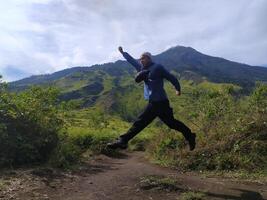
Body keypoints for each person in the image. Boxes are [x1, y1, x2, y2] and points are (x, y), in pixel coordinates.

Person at [107, 46, 196, 151]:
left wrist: (177, 89)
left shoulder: (157, 67)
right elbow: (131, 61)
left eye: (143, 58)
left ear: (149, 58)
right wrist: (123, 53)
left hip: (160, 102)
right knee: (171, 123)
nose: (141, 61)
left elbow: (171, 77)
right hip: (155, 102)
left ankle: (123, 141)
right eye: (140, 59)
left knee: (141, 122)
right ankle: (190, 135)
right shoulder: (141, 68)